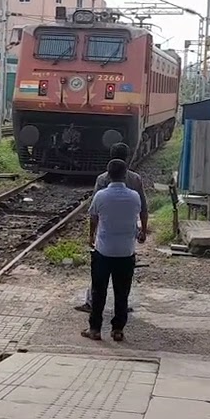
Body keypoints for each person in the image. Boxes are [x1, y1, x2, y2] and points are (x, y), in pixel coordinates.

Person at [76, 142, 148, 313]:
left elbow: (94, 212)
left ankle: (91, 302)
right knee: (124, 273)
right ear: (127, 158)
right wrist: (143, 230)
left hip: (105, 234)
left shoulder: (102, 179)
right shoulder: (135, 179)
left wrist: (91, 235)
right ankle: (122, 305)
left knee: (99, 273)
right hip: (127, 235)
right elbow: (144, 209)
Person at [83, 159, 143, 342]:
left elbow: (93, 218)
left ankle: (95, 329)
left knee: (98, 292)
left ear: (108, 175)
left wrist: (91, 236)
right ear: (125, 175)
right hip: (126, 252)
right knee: (122, 293)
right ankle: (118, 330)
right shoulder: (134, 197)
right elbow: (136, 217)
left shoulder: (101, 196)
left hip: (104, 251)